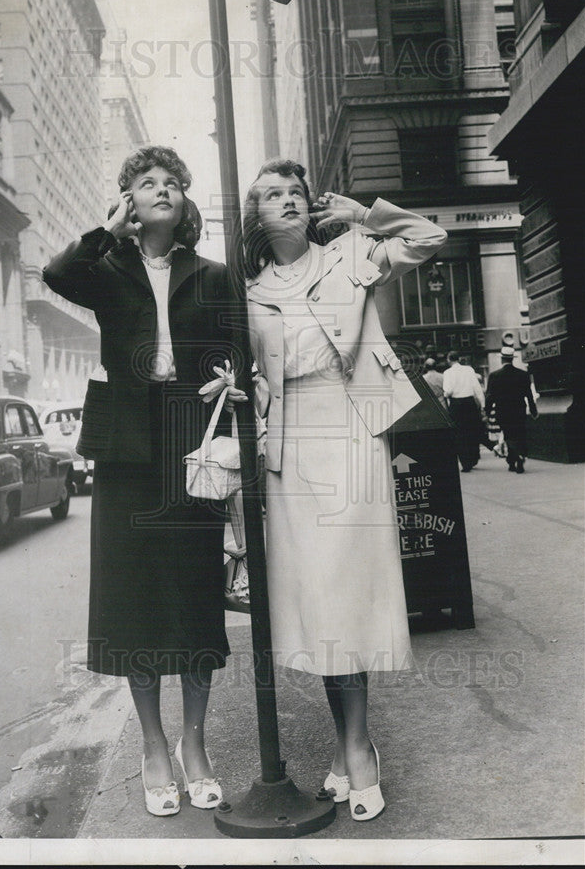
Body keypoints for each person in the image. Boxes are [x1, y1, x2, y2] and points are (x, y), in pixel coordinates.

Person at [242, 158, 447, 822]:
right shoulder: (248, 290)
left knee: (348, 593)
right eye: (272, 195)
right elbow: (247, 369)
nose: (288, 201)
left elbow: (428, 237)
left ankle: (358, 749)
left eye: (295, 191)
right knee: (318, 599)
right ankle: (347, 748)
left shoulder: (350, 253)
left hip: (352, 424)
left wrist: (365, 214)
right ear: (258, 216)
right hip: (291, 439)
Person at [42, 146, 244, 818]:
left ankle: (194, 743)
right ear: (128, 200)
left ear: (186, 202)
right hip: (126, 446)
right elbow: (55, 272)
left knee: (192, 594)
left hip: (192, 446)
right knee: (132, 601)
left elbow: (231, 355)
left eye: (171, 184)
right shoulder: (106, 271)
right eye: (145, 183)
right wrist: (109, 230)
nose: (161, 190)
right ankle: (152, 746)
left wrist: (227, 381)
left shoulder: (211, 276)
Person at [485, 346, 538, 473]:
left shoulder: (494, 376)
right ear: (512, 359)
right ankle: (517, 457)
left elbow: (489, 397)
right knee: (519, 433)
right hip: (519, 409)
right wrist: (533, 410)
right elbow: (529, 395)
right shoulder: (523, 375)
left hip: (502, 411)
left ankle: (514, 458)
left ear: (502, 359)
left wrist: (487, 411)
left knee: (508, 435)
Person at [442, 351, 485, 471]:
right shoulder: (469, 370)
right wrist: (482, 404)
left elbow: (448, 391)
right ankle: (473, 457)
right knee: (472, 430)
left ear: (449, 360)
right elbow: (477, 388)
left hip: (456, 405)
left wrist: (445, 394)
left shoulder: (447, 373)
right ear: (459, 359)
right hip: (469, 403)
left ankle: (466, 463)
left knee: (459, 434)